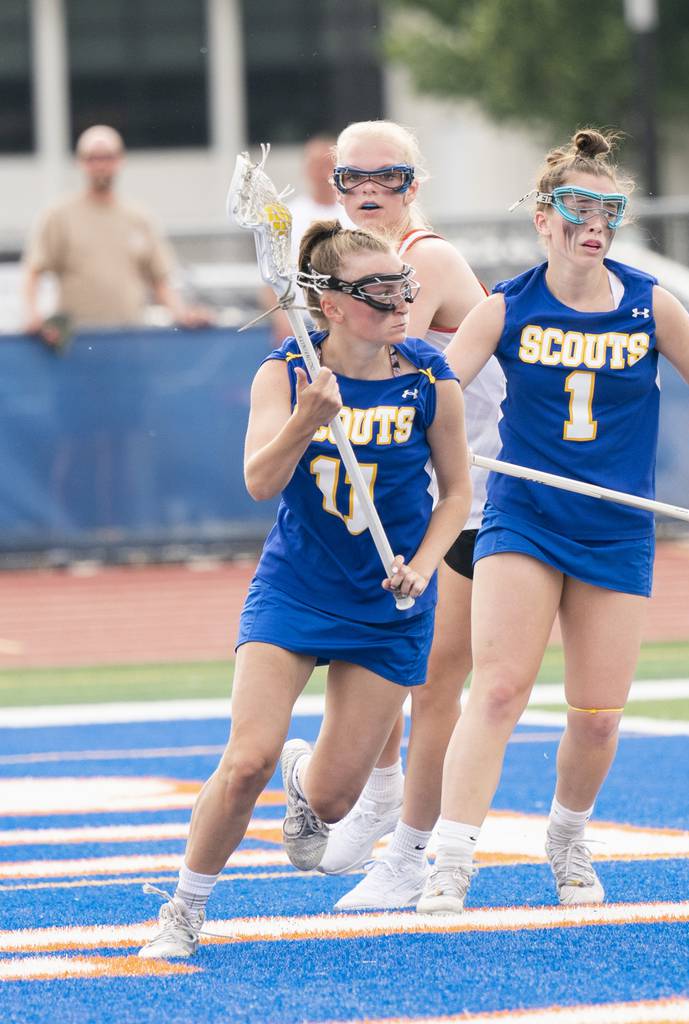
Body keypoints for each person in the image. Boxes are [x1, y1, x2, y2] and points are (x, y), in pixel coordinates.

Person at [416, 128, 689, 916]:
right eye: (578, 208)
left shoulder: (648, 302)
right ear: (544, 217)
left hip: (614, 528)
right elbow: (438, 393)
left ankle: (567, 839)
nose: (594, 225)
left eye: (609, 210)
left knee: (597, 719)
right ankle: (451, 859)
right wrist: (406, 422)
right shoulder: (506, 306)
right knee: (497, 690)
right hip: (524, 519)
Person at [137, 221, 471, 958]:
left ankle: (304, 774)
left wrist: (422, 563)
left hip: (390, 602)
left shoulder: (427, 378)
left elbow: (455, 496)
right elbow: (260, 480)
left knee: (331, 804)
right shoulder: (287, 373)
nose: (401, 299)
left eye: (404, 285)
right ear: (332, 304)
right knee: (246, 757)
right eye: (381, 289)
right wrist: (304, 422)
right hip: (296, 589)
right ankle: (184, 908)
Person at [317, 119, 505, 911]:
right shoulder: (356, 263)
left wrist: (320, 321)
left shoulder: (421, 259)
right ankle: (382, 794)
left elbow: (392, 361)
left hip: (475, 494)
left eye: (385, 177)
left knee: (434, 681)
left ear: (412, 184)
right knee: (383, 656)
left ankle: (410, 854)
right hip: (412, 492)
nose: (366, 192)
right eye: (349, 179)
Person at [21, 124, 208, 341]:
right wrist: (33, 315)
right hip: (76, 342)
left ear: (120, 160)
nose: (101, 165)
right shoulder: (59, 216)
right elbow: (33, 271)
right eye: (92, 158)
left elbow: (159, 279)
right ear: (80, 162)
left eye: (107, 157)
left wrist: (182, 314)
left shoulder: (139, 218)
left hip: (129, 339)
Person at [264, 134, 355, 339]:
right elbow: (271, 274)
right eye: (316, 165)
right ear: (305, 169)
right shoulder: (287, 216)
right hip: (301, 318)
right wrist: (281, 317)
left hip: (349, 320)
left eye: (329, 165)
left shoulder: (355, 214)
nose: (323, 173)